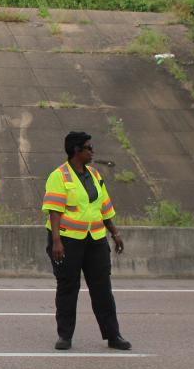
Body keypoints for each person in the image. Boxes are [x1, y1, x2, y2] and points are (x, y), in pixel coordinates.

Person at [43, 131, 131, 351]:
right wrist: (56, 242)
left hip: (95, 240)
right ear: (76, 150)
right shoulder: (59, 176)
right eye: (89, 148)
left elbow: (104, 207)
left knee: (102, 289)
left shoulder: (94, 174)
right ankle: (65, 336)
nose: (93, 151)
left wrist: (114, 232)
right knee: (67, 287)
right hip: (67, 241)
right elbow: (54, 211)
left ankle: (113, 335)